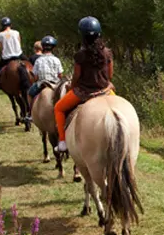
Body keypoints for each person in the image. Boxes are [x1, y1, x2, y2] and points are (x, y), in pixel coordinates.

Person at [53, 17, 113, 153]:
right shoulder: (108, 52)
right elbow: (110, 75)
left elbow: (77, 76)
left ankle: (62, 141)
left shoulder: (80, 55)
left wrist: (71, 87)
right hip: (105, 91)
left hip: (84, 93)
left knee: (58, 108)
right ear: (99, 33)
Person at [28, 35, 63, 104]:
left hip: (41, 84)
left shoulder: (38, 60)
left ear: (43, 47)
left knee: (29, 93)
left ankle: (29, 112)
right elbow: (60, 75)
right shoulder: (56, 60)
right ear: (53, 48)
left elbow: (36, 77)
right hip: (55, 85)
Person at [0, 17, 26, 90]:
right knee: (30, 63)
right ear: (10, 25)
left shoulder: (0, 35)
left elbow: (0, 47)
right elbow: (19, 43)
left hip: (7, 57)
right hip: (19, 55)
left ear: (2, 25)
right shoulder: (16, 32)